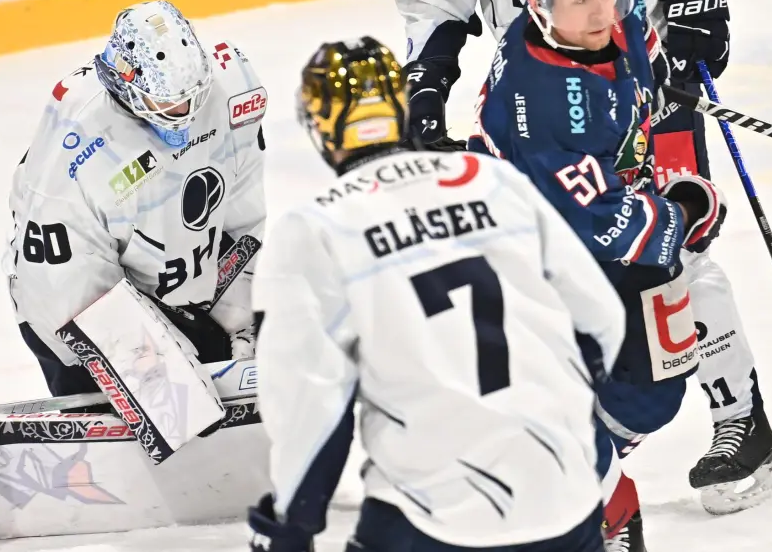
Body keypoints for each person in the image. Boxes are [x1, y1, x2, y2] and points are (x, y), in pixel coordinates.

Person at [394, 0, 772, 515]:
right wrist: (426, 86)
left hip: (640, 72)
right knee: (554, 261)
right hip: (539, 87)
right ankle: (570, 434)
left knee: (677, 243)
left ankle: (737, 418)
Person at [0, 0, 272, 550]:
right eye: (163, 101)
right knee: (168, 425)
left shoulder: (232, 88)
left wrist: (241, 323)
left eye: (190, 97)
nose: (181, 112)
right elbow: (65, 293)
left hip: (185, 288)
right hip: (77, 312)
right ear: (123, 83)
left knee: (249, 386)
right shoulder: (79, 144)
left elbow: (240, 211)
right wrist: (166, 380)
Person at [247, 35, 625, 552]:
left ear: (321, 130)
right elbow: (600, 320)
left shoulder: (314, 228)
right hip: (567, 504)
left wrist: (291, 525)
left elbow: (309, 402)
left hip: (433, 518)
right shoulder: (493, 180)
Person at [471, 0, 752, 550]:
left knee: (654, 392)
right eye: (579, 0)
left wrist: (685, 56)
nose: (600, 10)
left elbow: (645, 78)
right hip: (533, 257)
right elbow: (608, 223)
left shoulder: (607, 22)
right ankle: (593, 498)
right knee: (582, 394)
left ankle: (576, 464)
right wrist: (684, 211)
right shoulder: (536, 100)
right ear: (537, 4)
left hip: (599, 234)